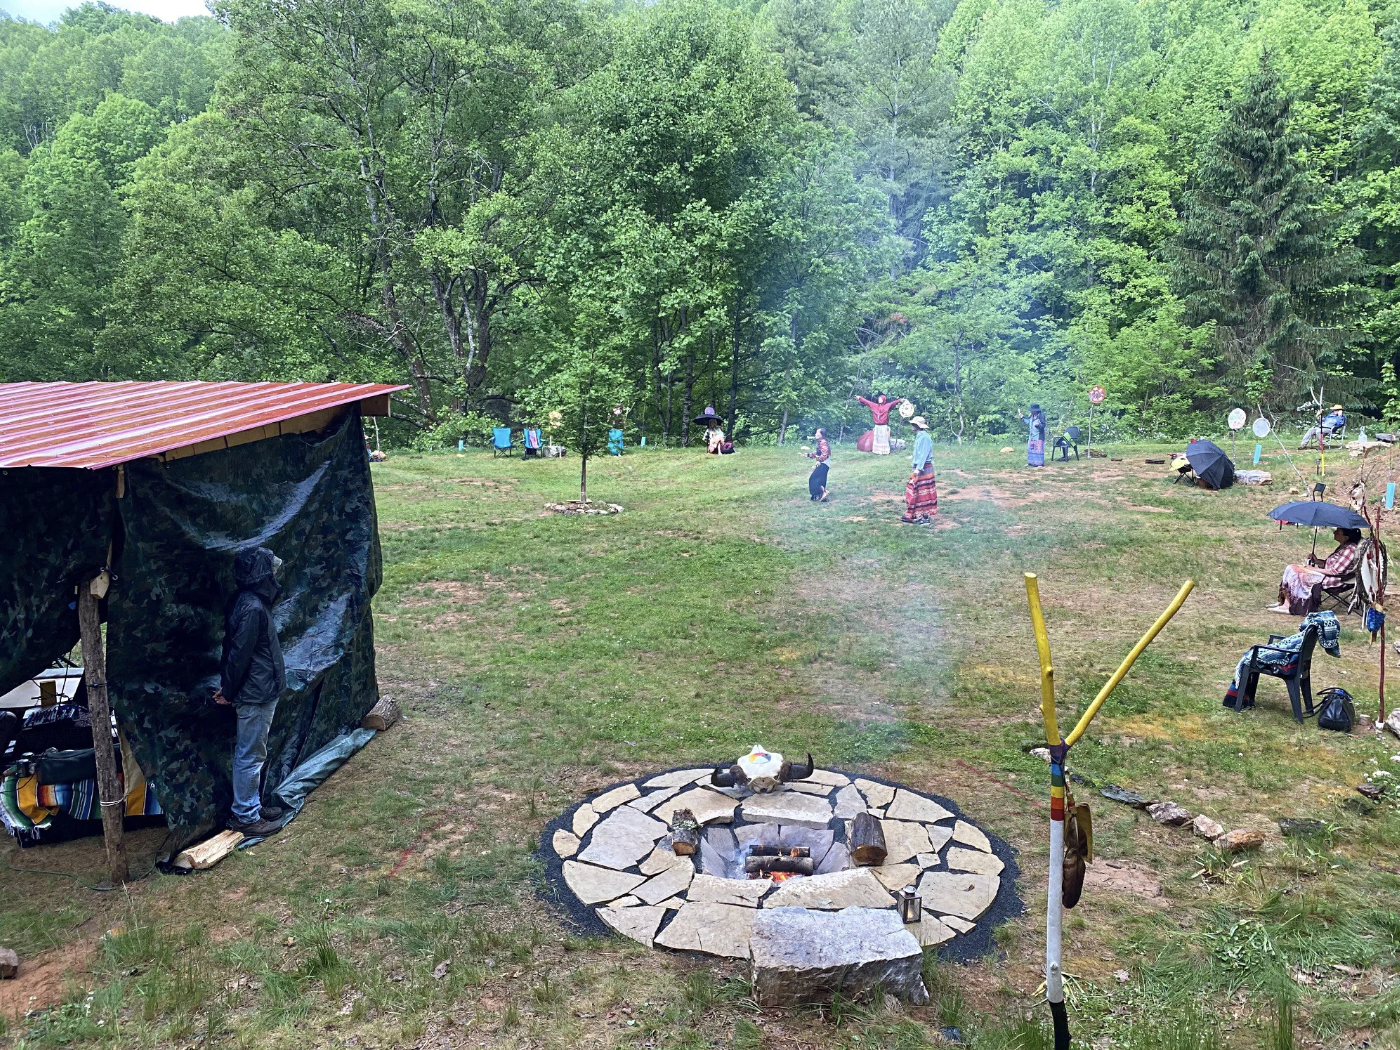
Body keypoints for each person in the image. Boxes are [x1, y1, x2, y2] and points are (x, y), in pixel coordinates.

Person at [214, 547, 287, 837]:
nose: (275, 571)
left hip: (257, 690)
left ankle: (252, 807)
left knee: (254, 753)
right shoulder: (253, 608)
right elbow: (238, 654)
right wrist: (229, 690)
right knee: (250, 755)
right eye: (270, 567)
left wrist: (230, 688)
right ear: (260, 573)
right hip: (255, 694)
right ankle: (245, 815)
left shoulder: (248, 602)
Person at [1224, 611, 1340, 708]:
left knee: (1248, 660)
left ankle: (1235, 699)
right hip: (1300, 662)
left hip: (1290, 665)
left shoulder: (1310, 628)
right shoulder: (1312, 629)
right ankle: (1246, 698)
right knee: (1254, 655)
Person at [1268, 527, 1362, 614]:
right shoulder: (1344, 546)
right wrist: (1316, 561)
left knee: (1297, 574)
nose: (1335, 533)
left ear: (1345, 537)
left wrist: (1313, 569)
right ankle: (1283, 601)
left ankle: (1288, 606)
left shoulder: (1350, 550)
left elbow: (1335, 571)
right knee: (1291, 568)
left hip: (1334, 580)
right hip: (1328, 575)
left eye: (1338, 532)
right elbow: (1330, 565)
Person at [901, 416, 938, 524]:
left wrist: (919, 468)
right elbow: (918, 453)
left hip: (924, 468)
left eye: (913, 424)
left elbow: (924, 454)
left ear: (917, 425)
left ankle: (925, 517)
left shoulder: (925, 437)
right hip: (920, 467)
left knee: (923, 492)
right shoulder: (919, 436)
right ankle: (914, 514)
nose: (911, 426)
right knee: (915, 490)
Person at [805, 428, 831, 502]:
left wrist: (819, 461)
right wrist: (808, 455)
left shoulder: (823, 442)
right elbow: (817, 453)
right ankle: (821, 496)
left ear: (821, 435)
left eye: (817, 433)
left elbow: (825, 454)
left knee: (813, 479)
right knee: (820, 480)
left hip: (823, 464)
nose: (815, 434)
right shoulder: (821, 442)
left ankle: (824, 492)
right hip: (824, 464)